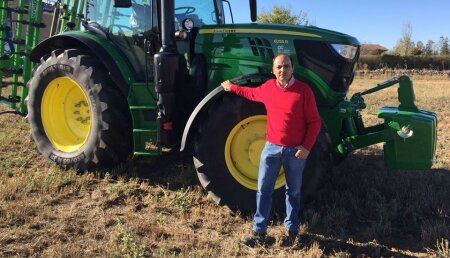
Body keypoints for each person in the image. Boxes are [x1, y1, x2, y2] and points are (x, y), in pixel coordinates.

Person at [221, 54, 321, 247]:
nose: (283, 70)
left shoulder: (304, 91)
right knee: (263, 190)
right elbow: (250, 93)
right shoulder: (268, 88)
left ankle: (291, 232)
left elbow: (314, 122)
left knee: (293, 192)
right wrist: (231, 87)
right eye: (279, 67)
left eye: (286, 66)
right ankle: (259, 232)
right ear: (273, 70)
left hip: (295, 152)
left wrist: (306, 147)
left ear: (292, 68)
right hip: (271, 149)